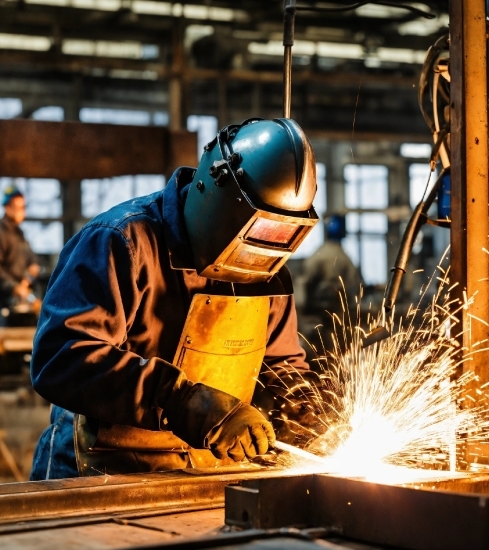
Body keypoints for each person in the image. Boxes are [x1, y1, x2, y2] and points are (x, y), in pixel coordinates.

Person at [30, 118, 323, 480]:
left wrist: (303, 406)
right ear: (214, 194)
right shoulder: (120, 241)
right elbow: (61, 360)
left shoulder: (268, 267)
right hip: (101, 476)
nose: (258, 255)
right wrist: (184, 401)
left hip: (204, 477)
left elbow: (281, 366)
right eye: (257, 230)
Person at [300, 214, 361, 352]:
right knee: (337, 346)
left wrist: (306, 306)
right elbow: (354, 283)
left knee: (321, 347)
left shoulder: (319, 254)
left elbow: (307, 281)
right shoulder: (344, 257)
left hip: (321, 310)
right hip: (336, 310)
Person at [0, 186, 40, 328]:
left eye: (24, 207)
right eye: (19, 207)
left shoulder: (20, 235)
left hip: (20, 301)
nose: (23, 212)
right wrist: (14, 287)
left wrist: (29, 276)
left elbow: (33, 262)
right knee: (0, 343)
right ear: (7, 208)